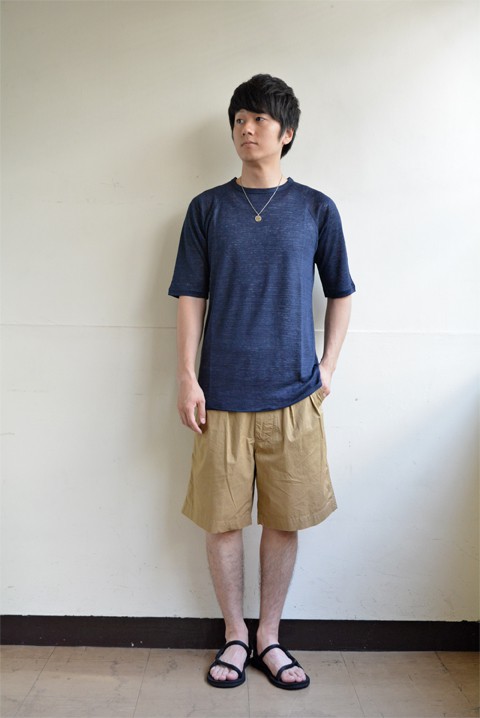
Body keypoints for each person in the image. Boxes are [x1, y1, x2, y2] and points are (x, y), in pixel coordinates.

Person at [168, 74, 355, 690]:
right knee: (221, 521)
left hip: (294, 396)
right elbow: (190, 296)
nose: (246, 130)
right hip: (220, 395)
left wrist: (328, 367)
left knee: (283, 520)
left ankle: (269, 637)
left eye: (259, 120)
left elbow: (341, 292)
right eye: (239, 120)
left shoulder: (316, 208)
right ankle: (234, 636)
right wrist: (187, 377)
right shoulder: (207, 208)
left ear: (287, 132)